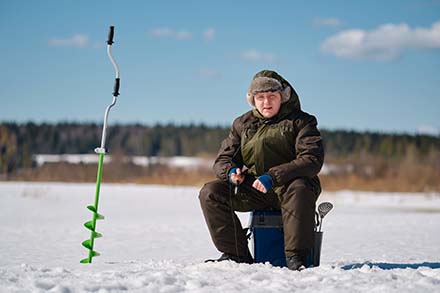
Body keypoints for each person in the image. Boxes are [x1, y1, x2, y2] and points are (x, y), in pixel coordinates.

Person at [199, 70, 324, 271]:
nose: (266, 102)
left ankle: (295, 258)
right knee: (210, 192)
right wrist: (231, 172)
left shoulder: (302, 121)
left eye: (272, 96)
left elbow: (311, 160)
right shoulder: (243, 124)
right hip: (255, 189)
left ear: (282, 97)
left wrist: (273, 176)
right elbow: (224, 158)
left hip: (291, 188)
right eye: (260, 97)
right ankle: (236, 255)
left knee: (299, 188)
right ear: (253, 100)